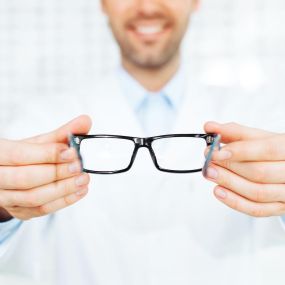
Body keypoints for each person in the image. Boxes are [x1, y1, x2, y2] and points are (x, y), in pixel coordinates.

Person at [0, 0, 285, 284]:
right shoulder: (41, 120)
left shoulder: (262, 118)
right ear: (103, 4)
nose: (147, 6)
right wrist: (3, 208)